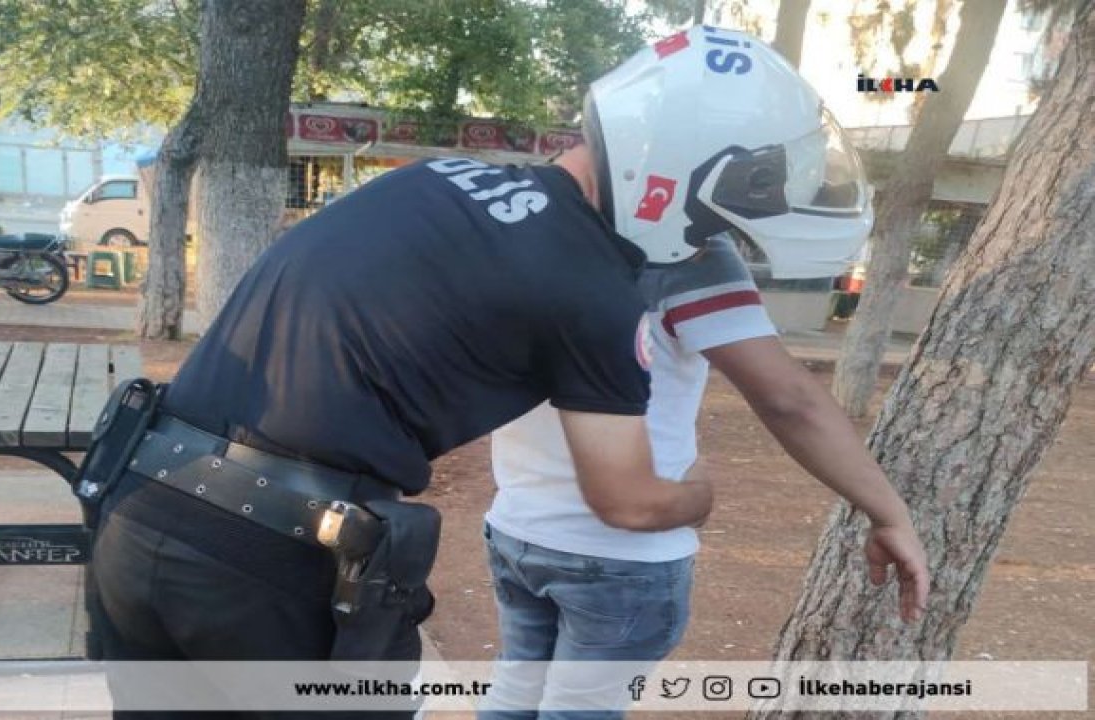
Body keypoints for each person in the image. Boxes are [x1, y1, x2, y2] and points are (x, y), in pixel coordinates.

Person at [78, 24, 925, 720]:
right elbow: (629, 500)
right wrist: (699, 495)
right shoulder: (590, 286)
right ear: (683, 174)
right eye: (738, 195)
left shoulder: (435, 182)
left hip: (140, 510)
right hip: (265, 569)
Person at [478, 26, 929, 719]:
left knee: (513, 701)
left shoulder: (519, 223)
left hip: (516, 530)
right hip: (621, 555)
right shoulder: (687, 256)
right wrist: (889, 511)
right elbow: (788, 400)